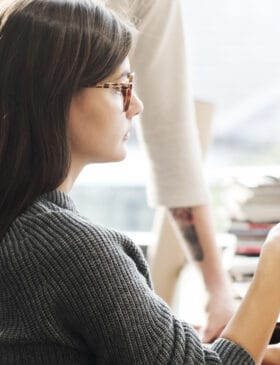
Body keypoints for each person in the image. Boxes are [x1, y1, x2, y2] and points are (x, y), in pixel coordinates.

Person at [0, 0, 280, 364]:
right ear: (55, 95)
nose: (135, 105)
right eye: (119, 86)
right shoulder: (76, 253)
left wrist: (269, 356)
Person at [113, 0, 236, 342]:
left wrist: (216, 290)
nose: (134, 106)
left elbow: (170, 134)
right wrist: (279, 260)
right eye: (116, 86)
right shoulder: (95, 259)